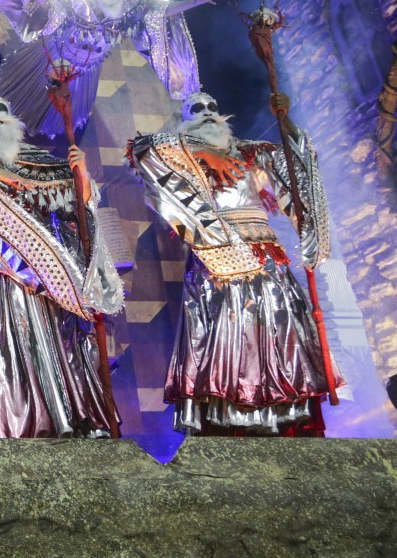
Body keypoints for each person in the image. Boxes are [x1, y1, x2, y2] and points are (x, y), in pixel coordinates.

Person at [127, 91, 344, 435]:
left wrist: (284, 119)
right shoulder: (180, 157)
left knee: (278, 329)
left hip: (267, 256)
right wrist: (201, 152)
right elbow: (143, 150)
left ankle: (284, 413)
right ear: (186, 117)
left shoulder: (251, 152)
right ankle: (230, 417)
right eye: (198, 109)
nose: (209, 112)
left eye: (213, 106)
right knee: (226, 334)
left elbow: (296, 163)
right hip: (217, 260)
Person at [0, 95, 123, 437]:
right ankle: (12, 425)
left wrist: (82, 178)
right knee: (6, 351)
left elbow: (78, 216)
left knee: (55, 347)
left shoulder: (46, 166)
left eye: (2, 110)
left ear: (14, 119)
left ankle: (65, 419)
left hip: (48, 282)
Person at [0, 0, 226, 136]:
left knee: (63, 116)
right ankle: (9, 117)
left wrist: (194, 1)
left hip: (85, 72)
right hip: (51, 59)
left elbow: (159, 12)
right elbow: (52, 7)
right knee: (25, 97)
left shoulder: (129, 7)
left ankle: (51, 130)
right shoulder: (78, 2)